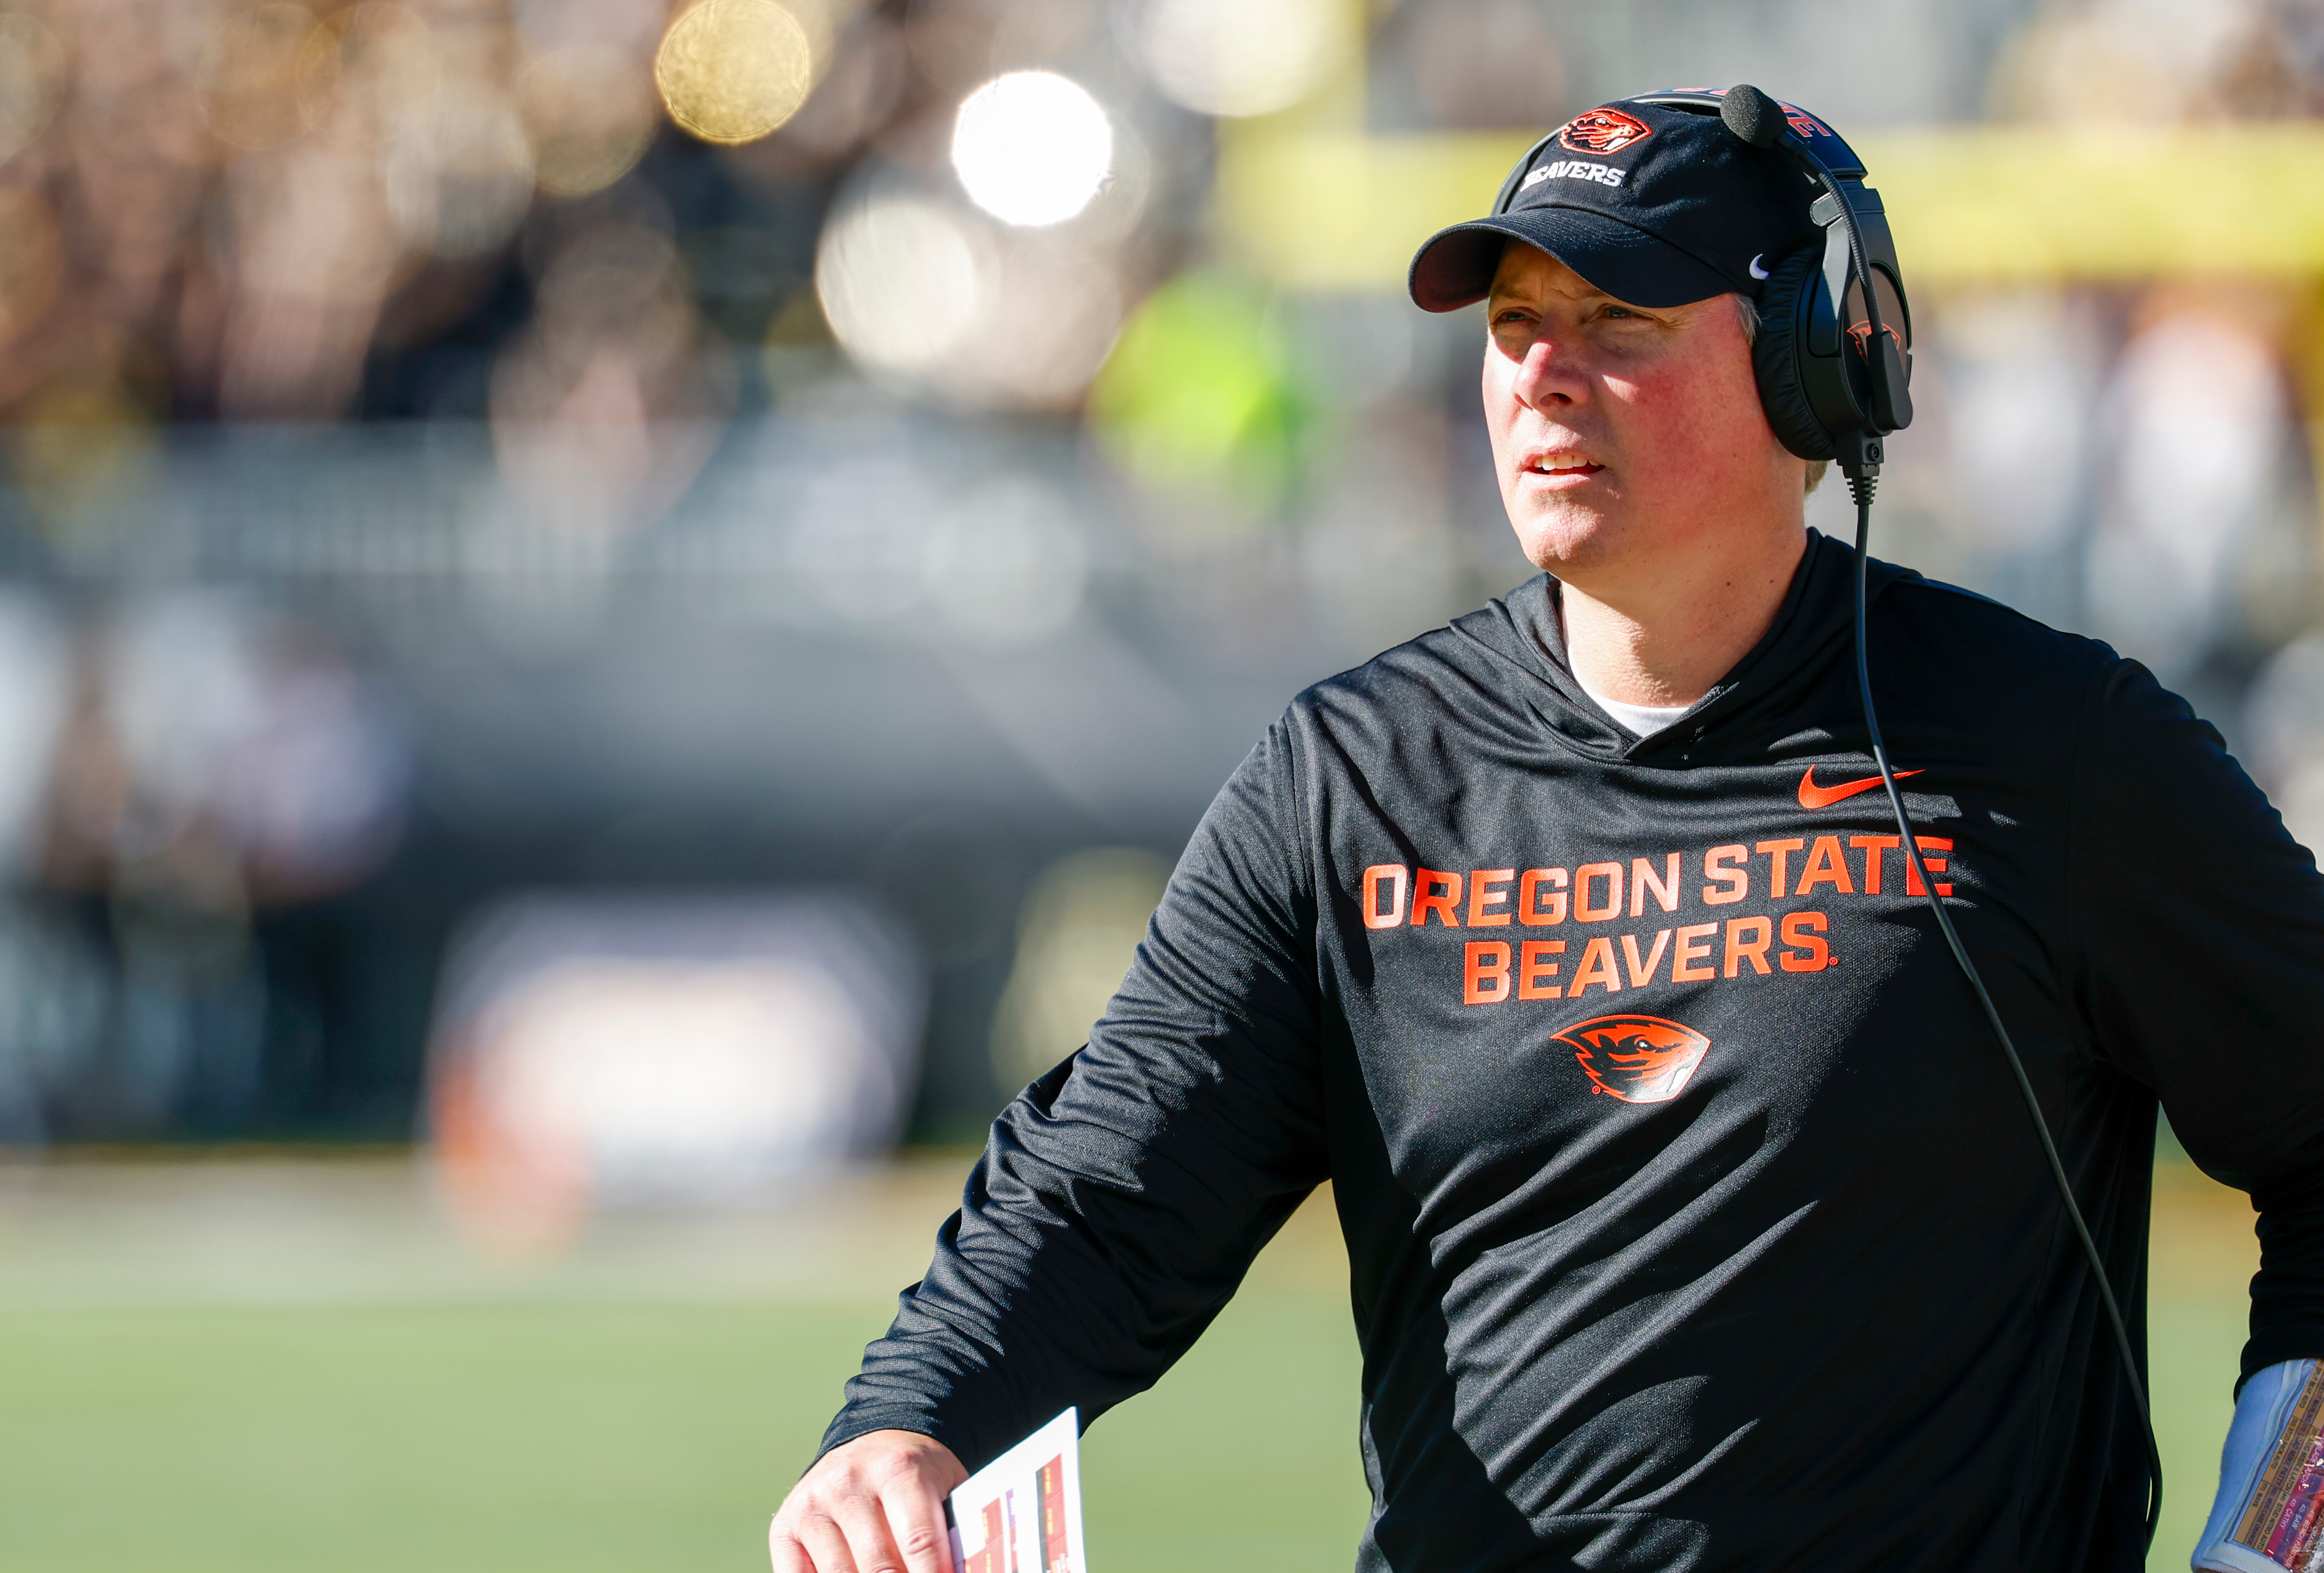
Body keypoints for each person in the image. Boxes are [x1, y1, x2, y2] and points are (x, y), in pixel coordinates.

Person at [771, 93, 2324, 1573]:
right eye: (1515, 327)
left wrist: (2280, 1526)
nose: (1542, 378)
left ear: (1816, 363)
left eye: (1622, 324)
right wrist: (910, 1424)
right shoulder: (1351, 776)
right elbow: (1109, 1195)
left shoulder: (2055, 749)